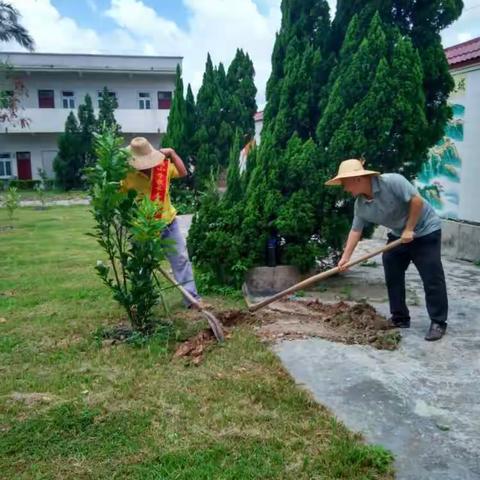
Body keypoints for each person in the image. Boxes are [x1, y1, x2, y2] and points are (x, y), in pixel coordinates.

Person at [325, 158, 448, 341]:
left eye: (345, 183)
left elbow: (417, 201)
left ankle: (438, 322)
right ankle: (400, 318)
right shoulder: (361, 205)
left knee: (432, 276)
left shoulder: (392, 182)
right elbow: (355, 230)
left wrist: (409, 229)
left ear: (357, 179)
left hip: (424, 230)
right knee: (391, 265)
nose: (345, 188)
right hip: (399, 235)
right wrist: (346, 258)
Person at [123, 137, 201, 308]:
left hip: (168, 223)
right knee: (142, 265)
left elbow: (183, 172)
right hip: (144, 228)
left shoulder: (162, 168)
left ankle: (192, 299)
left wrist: (172, 153)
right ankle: (142, 302)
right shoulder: (128, 175)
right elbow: (119, 197)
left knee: (180, 259)